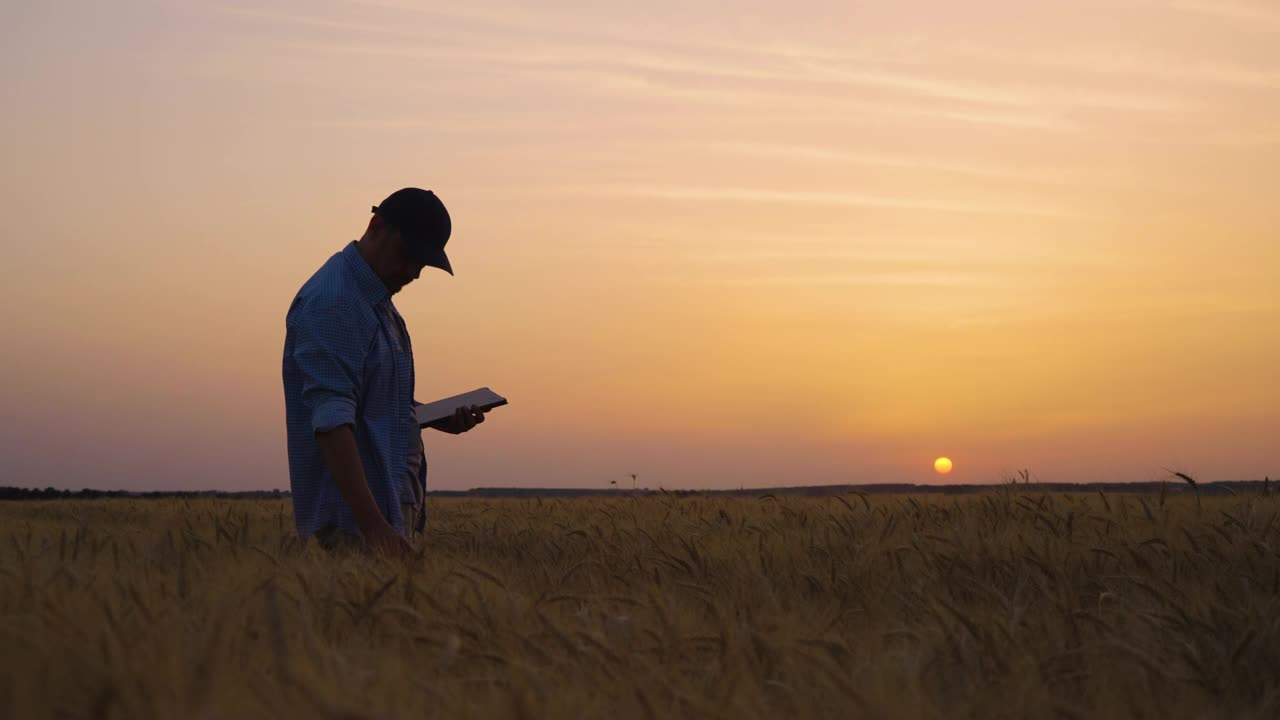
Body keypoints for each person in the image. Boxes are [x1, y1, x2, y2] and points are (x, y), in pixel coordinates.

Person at [282, 187, 489, 557]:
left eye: (422, 264)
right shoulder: (335, 303)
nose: (413, 272)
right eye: (408, 256)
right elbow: (332, 421)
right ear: (376, 226)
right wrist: (375, 528)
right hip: (353, 528)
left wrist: (434, 418)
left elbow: (370, 401)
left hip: (385, 513)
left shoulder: (377, 304)